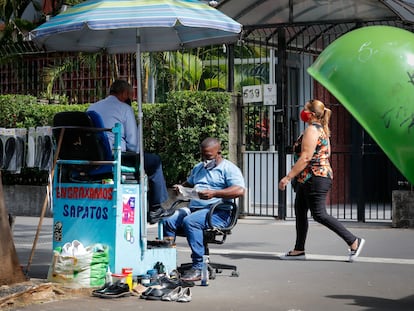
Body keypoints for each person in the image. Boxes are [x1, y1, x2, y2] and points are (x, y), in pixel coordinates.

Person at [278, 99, 365, 262]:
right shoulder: (322, 129)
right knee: (300, 211)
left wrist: (288, 177)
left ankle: (353, 241)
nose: (302, 111)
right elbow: (327, 153)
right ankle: (299, 249)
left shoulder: (312, 129)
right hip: (309, 177)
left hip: (315, 178)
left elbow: (305, 157)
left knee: (319, 214)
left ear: (311, 114)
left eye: (305, 109)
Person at [87, 79, 170, 224]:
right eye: (130, 95)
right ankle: (156, 207)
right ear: (125, 93)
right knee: (154, 161)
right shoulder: (124, 109)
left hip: (94, 157)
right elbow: (133, 144)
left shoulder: (92, 108)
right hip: (117, 156)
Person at [163, 137, 245, 281]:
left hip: (218, 213)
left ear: (219, 152)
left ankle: (198, 267)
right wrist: (181, 187)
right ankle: (167, 264)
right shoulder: (199, 168)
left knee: (191, 221)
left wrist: (215, 193)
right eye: (203, 156)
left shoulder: (228, 169)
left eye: (209, 156)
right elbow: (190, 183)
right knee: (169, 220)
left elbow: (239, 190)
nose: (205, 159)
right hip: (195, 209)